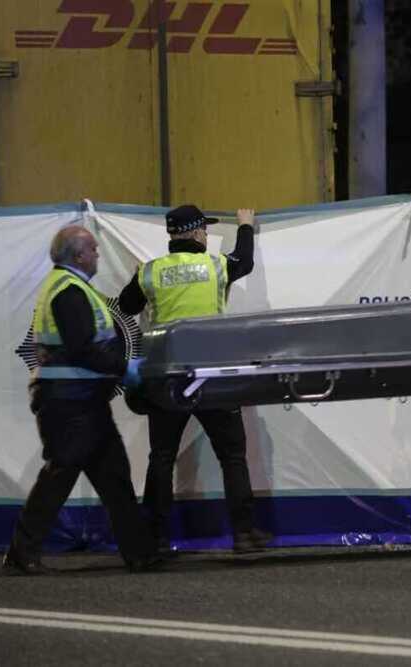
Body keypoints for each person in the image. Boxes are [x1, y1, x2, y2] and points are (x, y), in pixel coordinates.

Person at [3, 227, 161, 575]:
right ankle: (21, 553)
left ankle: (141, 553)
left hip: (81, 400)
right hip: (69, 401)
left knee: (114, 476)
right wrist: (125, 367)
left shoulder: (70, 288)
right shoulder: (69, 292)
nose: (97, 254)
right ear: (78, 256)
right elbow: (83, 349)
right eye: (93, 249)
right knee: (60, 475)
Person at [118, 205, 272, 554]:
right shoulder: (215, 266)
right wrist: (246, 226)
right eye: (204, 230)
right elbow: (244, 261)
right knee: (232, 456)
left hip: (167, 379)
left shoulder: (150, 271)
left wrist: (136, 278)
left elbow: (126, 307)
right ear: (198, 233)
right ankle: (244, 534)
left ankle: (155, 537)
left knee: (162, 457)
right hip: (210, 378)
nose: (205, 235)